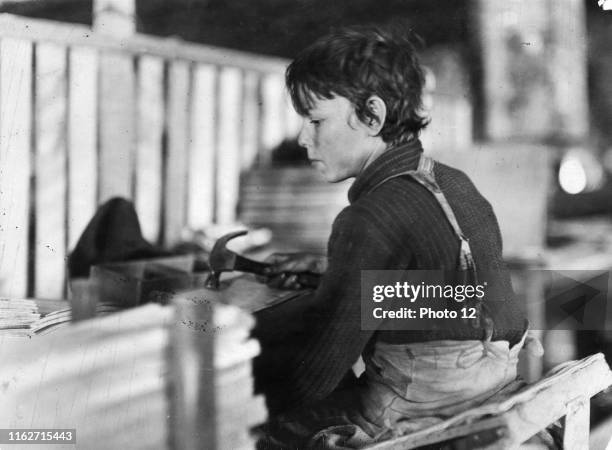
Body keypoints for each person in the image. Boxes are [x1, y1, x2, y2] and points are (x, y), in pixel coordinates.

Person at [257, 25, 531, 449]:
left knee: (267, 418)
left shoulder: (369, 216)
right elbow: (450, 293)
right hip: (491, 386)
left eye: (315, 120)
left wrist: (239, 394)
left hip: (419, 415)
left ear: (372, 115)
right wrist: (334, 277)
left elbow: (316, 375)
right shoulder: (454, 182)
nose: (302, 138)